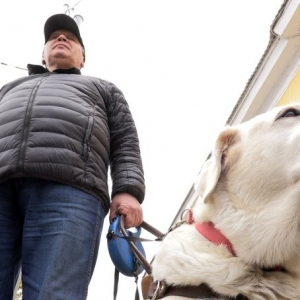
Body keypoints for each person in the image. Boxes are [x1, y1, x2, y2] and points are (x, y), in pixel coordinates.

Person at [0, 13, 145, 300]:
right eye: (54, 37)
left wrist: (128, 191)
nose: (61, 38)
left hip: (71, 189)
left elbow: (125, 140)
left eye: (71, 38)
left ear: (82, 59)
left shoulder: (103, 89)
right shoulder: (9, 88)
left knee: (55, 293)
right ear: (43, 56)